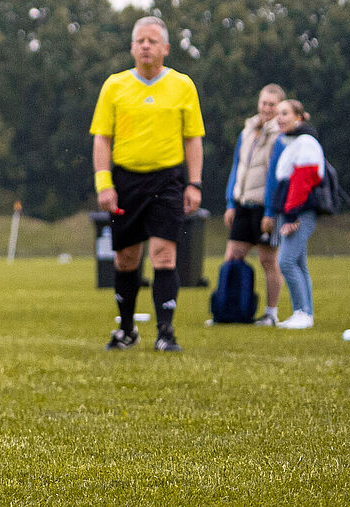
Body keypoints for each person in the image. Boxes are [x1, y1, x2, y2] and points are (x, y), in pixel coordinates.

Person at [91, 16, 205, 352]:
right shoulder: (114, 85)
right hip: (126, 180)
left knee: (163, 255)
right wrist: (104, 184)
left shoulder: (183, 85)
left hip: (167, 180)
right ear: (131, 47)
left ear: (166, 48)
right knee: (126, 257)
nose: (145, 46)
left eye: (152, 41)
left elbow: (193, 139)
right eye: (140, 40)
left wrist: (194, 184)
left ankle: (165, 332)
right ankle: (126, 330)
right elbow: (102, 139)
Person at [221, 84, 287, 325]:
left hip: (265, 208)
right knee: (233, 256)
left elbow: (276, 176)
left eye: (272, 104)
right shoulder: (247, 131)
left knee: (268, 259)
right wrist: (231, 201)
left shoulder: (280, 135)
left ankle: (271, 314)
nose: (266, 108)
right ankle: (231, 311)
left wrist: (270, 212)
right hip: (243, 204)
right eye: (264, 103)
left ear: (279, 106)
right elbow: (236, 167)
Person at [267, 99, 324, 330]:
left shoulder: (305, 142)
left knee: (286, 261)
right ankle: (304, 312)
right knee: (299, 263)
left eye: (285, 113)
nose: (279, 118)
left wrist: (291, 217)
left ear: (298, 117)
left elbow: (302, 181)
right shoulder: (291, 142)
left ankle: (302, 313)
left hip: (299, 213)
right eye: (278, 114)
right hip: (293, 212)